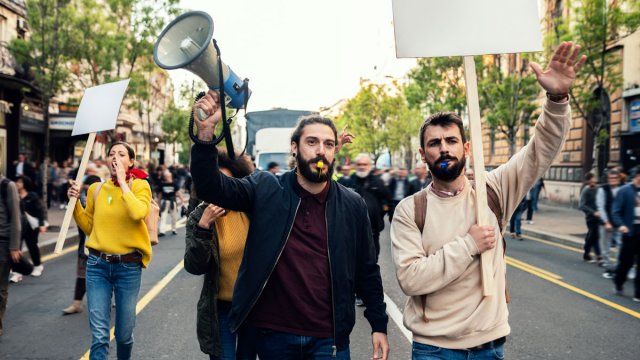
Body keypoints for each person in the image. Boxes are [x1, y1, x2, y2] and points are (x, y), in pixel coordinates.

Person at [390, 41, 585, 358]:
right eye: (435, 143)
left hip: (490, 347)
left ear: (466, 149)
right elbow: (412, 279)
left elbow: (540, 151)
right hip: (435, 349)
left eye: (452, 140)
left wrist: (557, 99)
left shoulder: (493, 190)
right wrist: (469, 244)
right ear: (422, 154)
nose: (444, 149)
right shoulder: (410, 210)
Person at [190, 93, 390, 359]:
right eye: (312, 142)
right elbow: (211, 187)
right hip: (273, 336)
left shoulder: (352, 204)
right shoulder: (266, 187)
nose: (321, 150)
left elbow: (366, 268)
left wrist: (379, 324)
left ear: (334, 152)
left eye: (329, 144)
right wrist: (205, 135)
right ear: (294, 148)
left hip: (329, 339)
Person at [68, 141, 152, 360]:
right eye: (112, 153)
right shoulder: (96, 189)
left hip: (128, 267)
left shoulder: (140, 186)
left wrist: (124, 182)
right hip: (97, 266)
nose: (115, 157)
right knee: (99, 336)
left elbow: (138, 213)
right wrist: (76, 202)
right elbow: (89, 227)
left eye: (122, 154)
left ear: (131, 161)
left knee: (124, 335)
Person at [185, 149, 257, 359]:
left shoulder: (253, 209)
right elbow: (194, 266)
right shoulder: (199, 215)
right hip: (221, 308)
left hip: (253, 307)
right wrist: (204, 227)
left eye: (225, 182)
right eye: (214, 182)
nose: (220, 189)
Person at [62, 174, 103, 315]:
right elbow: (81, 220)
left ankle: (111, 300)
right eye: (86, 190)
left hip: (103, 246)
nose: (88, 193)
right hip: (85, 245)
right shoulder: (82, 200)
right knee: (81, 275)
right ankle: (76, 303)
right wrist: (74, 198)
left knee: (109, 276)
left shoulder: (106, 201)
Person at [347, 153, 390, 262]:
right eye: (359, 164)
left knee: (372, 259)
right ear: (355, 166)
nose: (362, 167)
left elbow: (387, 200)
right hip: (351, 231)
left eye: (364, 164)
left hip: (373, 230)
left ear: (369, 166)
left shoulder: (378, 182)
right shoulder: (348, 182)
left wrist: (380, 213)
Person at [611, 165, 640, 302]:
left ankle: (638, 293)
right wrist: (621, 225)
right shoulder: (625, 191)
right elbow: (615, 211)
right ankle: (618, 282)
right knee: (626, 262)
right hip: (629, 232)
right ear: (637, 176)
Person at [10, 176, 47, 282]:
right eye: (16, 181)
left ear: (25, 183)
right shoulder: (13, 195)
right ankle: (17, 272)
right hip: (18, 226)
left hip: (31, 226)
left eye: (20, 182)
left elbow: (40, 210)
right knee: (16, 249)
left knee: (32, 246)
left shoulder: (32, 196)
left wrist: (41, 224)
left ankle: (38, 265)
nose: (17, 183)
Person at [0, 174, 21, 337]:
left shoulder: (7, 185)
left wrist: (14, 246)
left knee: (1, 288)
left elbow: (15, 217)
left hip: (3, 242)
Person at [597, 169, 622, 278]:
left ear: (618, 179)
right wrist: (606, 222)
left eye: (615, 178)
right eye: (610, 178)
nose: (612, 180)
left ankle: (618, 266)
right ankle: (607, 266)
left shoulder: (622, 189)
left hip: (619, 223)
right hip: (606, 223)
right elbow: (600, 207)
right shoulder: (603, 189)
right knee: (605, 246)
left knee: (621, 245)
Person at [579, 173, 602, 264]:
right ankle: (597, 255)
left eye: (594, 178)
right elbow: (582, 205)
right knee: (593, 235)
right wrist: (593, 212)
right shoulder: (586, 190)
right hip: (590, 217)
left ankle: (588, 253)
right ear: (588, 181)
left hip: (599, 216)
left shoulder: (598, 188)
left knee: (594, 235)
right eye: (592, 179)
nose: (594, 180)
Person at [158, 170, 185, 237]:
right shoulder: (162, 184)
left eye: (169, 176)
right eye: (166, 176)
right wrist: (158, 203)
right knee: (163, 217)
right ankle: (162, 231)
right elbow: (160, 194)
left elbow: (179, 192)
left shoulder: (174, 184)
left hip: (172, 201)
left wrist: (182, 201)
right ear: (164, 177)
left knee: (174, 217)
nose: (168, 177)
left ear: (171, 176)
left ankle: (174, 229)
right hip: (164, 201)